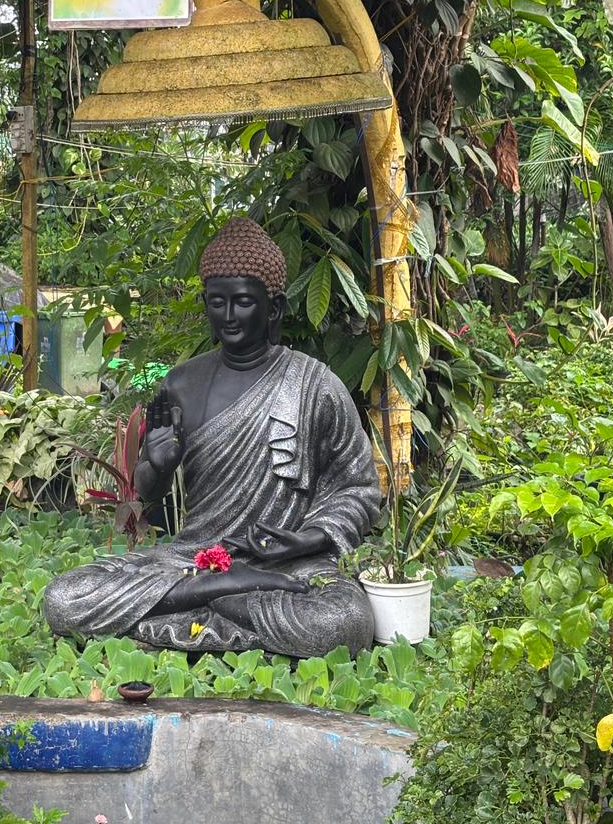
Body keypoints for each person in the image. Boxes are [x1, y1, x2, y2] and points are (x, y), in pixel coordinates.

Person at [44, 217, 380, 657]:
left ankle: (217, 593)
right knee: (65, 596)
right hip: (196, 558)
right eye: (217, 302)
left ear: (273, 308)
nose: (228, 316)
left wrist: (307, 538)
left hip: (288, 563)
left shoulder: (314, 385)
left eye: (242, 302)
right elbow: (150, 500)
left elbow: (359, 488)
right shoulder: (181, 383)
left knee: (344, 620)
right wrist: (157, 467)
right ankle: (226, 591)